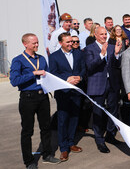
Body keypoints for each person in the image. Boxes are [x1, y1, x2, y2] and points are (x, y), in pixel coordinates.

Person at [10, 33, 60, 168]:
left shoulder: (42, 59)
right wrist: (33, 73)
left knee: (46, 127)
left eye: (37, 43)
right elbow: (14, 81)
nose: (37, 45)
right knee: (27, 130)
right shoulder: (18, 60)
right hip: (28, 98)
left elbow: (48, 76)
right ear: (25, 44)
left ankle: (47, 155)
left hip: (42, 97)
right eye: (34, 43)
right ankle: (29, 161)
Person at [84, 27, 122, 153]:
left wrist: (116, 54)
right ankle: (99, 140)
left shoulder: (111, 47)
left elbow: (116, 66)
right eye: (101, 34)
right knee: (98, 113)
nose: (104, 36)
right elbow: (90, 67)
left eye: (105, 34)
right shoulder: (89, 49)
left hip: (111, 84)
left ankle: (110, 135)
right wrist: (101, 55)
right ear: (95, 35)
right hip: (98, 84)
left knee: (113, 111)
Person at [49, 33, 86, 162]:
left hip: (76, 92)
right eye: (68, 42)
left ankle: (71, 142)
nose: (71, 44)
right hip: (63, 93)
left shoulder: (78, 54)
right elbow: (53, 73)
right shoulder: (54, 57)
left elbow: (83, 69)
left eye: (72, 41)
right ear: (60, 43)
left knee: (74, 118)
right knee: (63, 120)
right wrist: (67, 79)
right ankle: (64, 148)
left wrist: (80, 77)